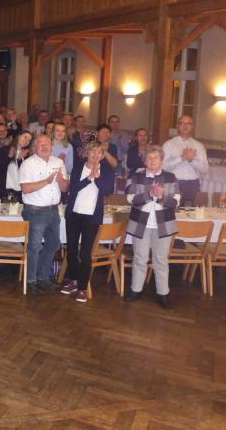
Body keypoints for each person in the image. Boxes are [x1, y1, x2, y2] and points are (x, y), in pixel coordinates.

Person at [126, 145, 180, 309]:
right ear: (145, 161)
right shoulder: (136, 176)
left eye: (156, 157)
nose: (152, 160)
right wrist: (149, 194)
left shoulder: (170, 177)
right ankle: (136, 290)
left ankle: (162, 293)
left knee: (161, 260)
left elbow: (175, 202)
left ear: (162, 160)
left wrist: (161, 196)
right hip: (140, 223)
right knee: (140, 259)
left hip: (163, 224)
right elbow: (130, 199)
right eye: (149, 158)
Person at [60, 141, 114, 303]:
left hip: (92, 217)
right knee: (71, 250)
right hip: (73, 214)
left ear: (102, 155)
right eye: (92, 151)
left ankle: (82, 287)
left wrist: (97, 178)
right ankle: (73, 280)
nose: (95, 155)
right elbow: (72, 188)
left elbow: (108, 191)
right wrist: (89, 178)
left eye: (99, 152)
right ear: (87, 152)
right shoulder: (79, 167)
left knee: (85, 253)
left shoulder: (106, 170)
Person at [19, 134, 69, 294]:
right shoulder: (28, 164)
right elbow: (25, 189)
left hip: (53, 210)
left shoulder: (58, 162)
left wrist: (61, 180)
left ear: (52, 147)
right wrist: (46, 181)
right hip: (35, 210)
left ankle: (43, 276)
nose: (44, 146)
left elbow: (65, 188)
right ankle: (31, 280)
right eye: (40, 144)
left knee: (54, 243)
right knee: (34, 247)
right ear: (35, 147)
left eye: (47, 143)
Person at [162, 114, 208, 206]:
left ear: (192, 126)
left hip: (192, 184)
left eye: (188, 123)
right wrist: (182, 158)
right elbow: (163, 167)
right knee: (171, 210)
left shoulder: (199, 146)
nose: (185, 126)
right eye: (182, 123)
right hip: (172, 183)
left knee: (191, 211)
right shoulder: (168, 144)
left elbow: (205, 169)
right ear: (177, 126)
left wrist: (192, 160)